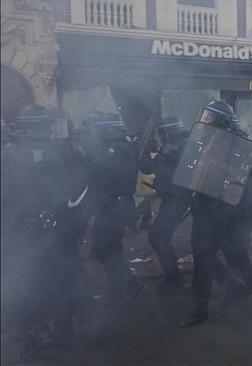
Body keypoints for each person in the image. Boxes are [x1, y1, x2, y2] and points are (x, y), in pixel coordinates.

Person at [1, 106, 90, 358]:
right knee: (40, 286)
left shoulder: (53, 152)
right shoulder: (18, 152)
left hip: (44, 235)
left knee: (44, 286)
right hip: (32, 234)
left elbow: (76, 192)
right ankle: (47, 336)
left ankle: (56, 338)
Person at [179, 101, 252, 327]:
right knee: (203, 261)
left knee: (234, 252)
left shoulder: (238, 145)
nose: (205, 121)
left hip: (225, 211)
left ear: (221, 121)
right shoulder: (203, 142)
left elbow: (239, 182)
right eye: (205, 116)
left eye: (210, 117)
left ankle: (249, 285)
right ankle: (201, 310)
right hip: (204, 209)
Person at [86, 112, 143, 306]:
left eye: (98, 127)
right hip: (109, 205)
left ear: (107, 129)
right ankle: (118, 286)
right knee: (109, 249)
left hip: (115, 206)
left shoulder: (119, 149)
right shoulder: (112, 147)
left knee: (106, 249)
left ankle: (128, 286)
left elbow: (102, 173)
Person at [140, 117, 192, 295]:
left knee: (158, 237)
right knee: (161, 237)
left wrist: (144, 152)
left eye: (161, 133)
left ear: (168, 132)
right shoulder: (188, 143)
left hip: (176, 198)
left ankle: (174, 279)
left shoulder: (171, 147)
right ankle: (174, 278)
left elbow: (152, 169)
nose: (160, 136)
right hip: (181, 197)